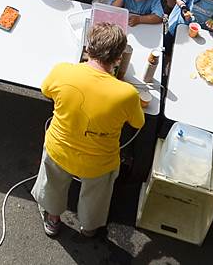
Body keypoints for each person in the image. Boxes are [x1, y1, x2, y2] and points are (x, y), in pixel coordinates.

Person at [35, 23, 145, 239]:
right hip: (99, 161)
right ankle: (89, 226)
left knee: (53, 183)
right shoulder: (127, 94)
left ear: (88, 48)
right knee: (97, 194)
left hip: (59, 149)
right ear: (118, 58)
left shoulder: (63, 70)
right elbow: (138, 123)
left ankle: (53, 218)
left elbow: (46, 90)